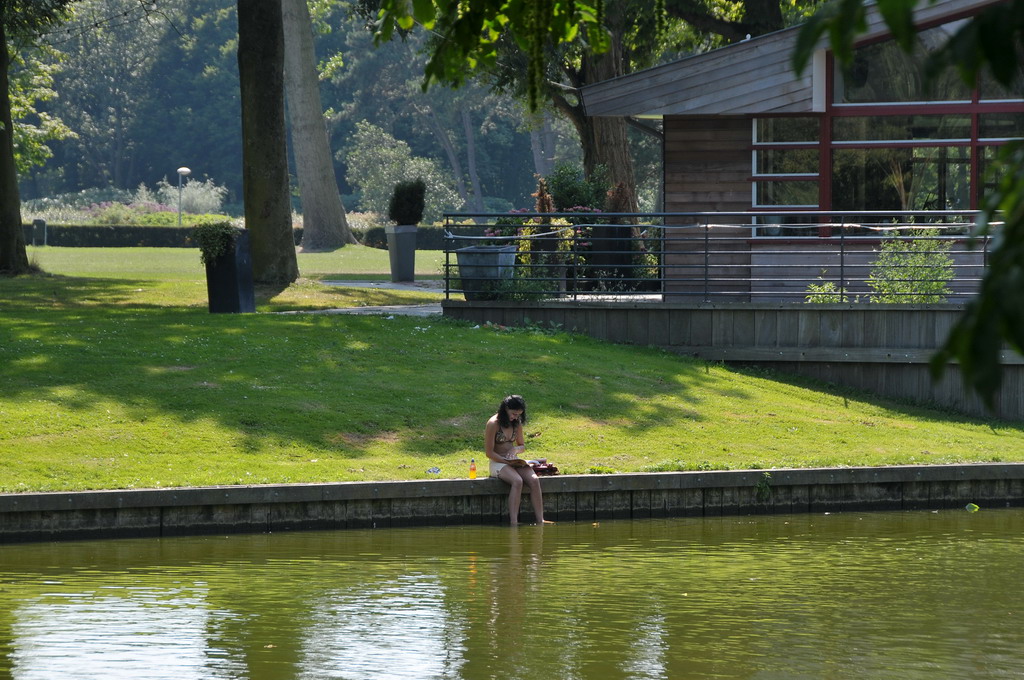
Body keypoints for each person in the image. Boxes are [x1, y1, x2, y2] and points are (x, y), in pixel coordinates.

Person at [484, 394, 549, 525]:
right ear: (506, 409)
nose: (515, 417)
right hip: (497, 462)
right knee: (517, 481)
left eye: (518, 415)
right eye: (513, 414)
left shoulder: (517, 423)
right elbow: (489, 452)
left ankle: (540, 520)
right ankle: (514, 522)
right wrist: (506, 461)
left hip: (513, 460)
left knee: (534, 480)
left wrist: (515, 450)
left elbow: (522, 446)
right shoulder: (493, 424)